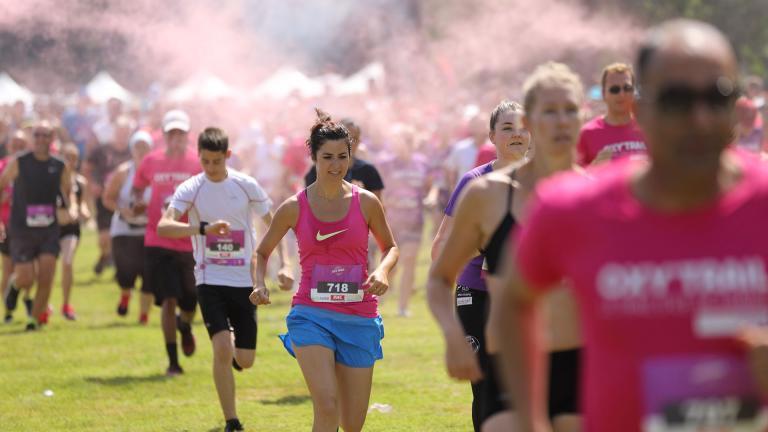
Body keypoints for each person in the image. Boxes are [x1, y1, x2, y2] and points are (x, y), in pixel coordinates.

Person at [494, 19, 768, 432]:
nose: (699, 117)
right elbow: (515, 302)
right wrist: (533, 421)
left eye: (716, 96)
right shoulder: (572, 209)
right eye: (677, 99)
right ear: (641, 110)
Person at [251, 110, 398, 432]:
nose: (335, 165)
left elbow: (391, 247)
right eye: (327, 157)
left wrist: (383, 271)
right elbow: (262, 252)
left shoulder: (367, 202)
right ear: (314, 158)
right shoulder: (293, 207)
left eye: (342, 157)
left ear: (351, 156)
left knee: (353, 424)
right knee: (327, 406)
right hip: (311, 314)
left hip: (359, 316)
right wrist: (259, 284)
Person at [158, 127, 292, 432]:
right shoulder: (191, 189)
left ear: (228, 156)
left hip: (244, 281)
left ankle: (234, 352)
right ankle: (232, 420)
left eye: (217, 161)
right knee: (220, 348)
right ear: (200, 157)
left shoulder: (246, 186)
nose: (211, 168)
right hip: (209, 279)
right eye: (205, 161)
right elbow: (164, 226)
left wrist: (285, 264)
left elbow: (277, 226)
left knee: (245, 360)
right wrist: (201, 230)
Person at [427, 100, 530, 431]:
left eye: (522, 128)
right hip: (477, 295)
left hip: (525, 298)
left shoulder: (541, 180)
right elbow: (439, 248)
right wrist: (486, 244)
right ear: (491, 137)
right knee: (486, 388)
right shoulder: (474, 182)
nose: (517, 135)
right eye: (507, 128)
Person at [132, 110, 201, 375]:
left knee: (191, 299)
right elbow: (138, 187)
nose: (176, 139)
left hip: (189, 239)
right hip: (157, 239)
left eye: (180, 134)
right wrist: (138, 202)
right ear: (164, 135)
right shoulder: (151, 161)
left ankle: (185, 325)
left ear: (187, 135)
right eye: (171, 134)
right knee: (168, 299)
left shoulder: (197, 162)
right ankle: (173, 361)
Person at [0, 121, 71, 330]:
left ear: (52, 139)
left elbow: (68, 192)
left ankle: (34, 319)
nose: (41, 139)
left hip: (49, 229)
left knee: (47, 276)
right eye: (37, 135)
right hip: (22, 228)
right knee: (25, 277)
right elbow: (2, 185)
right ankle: (14, 286)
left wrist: (72, 209)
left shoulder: (60, 165)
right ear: (32, 138)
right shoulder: (19, 162)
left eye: (46, 135)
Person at [377, 125, 432, 316]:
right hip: (392, 221)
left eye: (402, 142)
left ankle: (403, 307)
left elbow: (429, 186)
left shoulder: (422, 163)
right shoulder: (386, 163)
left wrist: (431, 196)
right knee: (391, 265)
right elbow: (378, 189)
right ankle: (379, 299)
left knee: (409, 260)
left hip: (415, 219)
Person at [101, 130, 153, 323]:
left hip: (149, 230)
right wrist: (123, 210)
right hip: (124, 229)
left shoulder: (157, 172)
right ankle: (125, 295)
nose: (141, 151)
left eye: (144, 147)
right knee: (125, 271)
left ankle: (143, 315)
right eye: (137, 147)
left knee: (149, 274)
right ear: (132, 149)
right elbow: (107, 198)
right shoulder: (123, 172)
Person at [84, 115, 133, 275]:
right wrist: (91, 183)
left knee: (120, 236)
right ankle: (105, 255)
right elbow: (87, 167)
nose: (122, 135)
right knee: (104, 238)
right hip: (104, 197)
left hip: (125, 198)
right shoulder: (101, 149)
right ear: (114, 132)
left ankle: (117, 264)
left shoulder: (132, 151)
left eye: (126, 132)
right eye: (120, 132)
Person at [576, 62, 646, 165]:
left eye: (627, 88)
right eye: (615, 90)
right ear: (604, 94)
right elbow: (574, 178)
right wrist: (594, 168)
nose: (621, 94)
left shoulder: (649, 129)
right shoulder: (587, 133)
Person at [57, 143, 89, 320]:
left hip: (71, 228)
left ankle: (66, 304)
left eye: (73, 158)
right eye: (66, 157)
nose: (70, 162)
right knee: (45, 268)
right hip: (51, 228)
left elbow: (83, 203)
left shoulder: (80, 182)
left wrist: (84, 211)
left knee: (67, 262)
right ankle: (43, 305)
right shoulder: (51, 181)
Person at [2, 130, 30, 323]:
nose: (18, 147)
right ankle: (8, 312)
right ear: (8, 146)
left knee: (29, 268)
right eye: (15, 144)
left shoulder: (30, 166)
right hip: (6, 223)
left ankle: (29, 301)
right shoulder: (2, 166)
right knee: (8, 269)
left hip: (28, 225)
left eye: (22, 144)